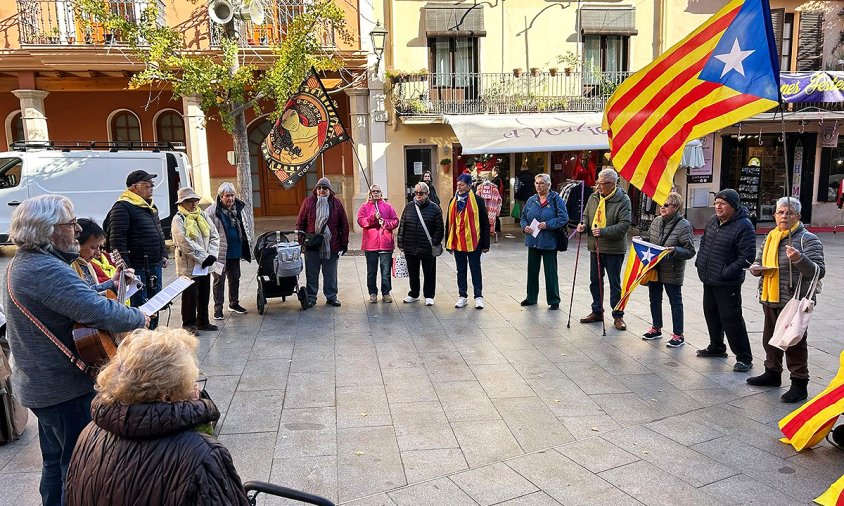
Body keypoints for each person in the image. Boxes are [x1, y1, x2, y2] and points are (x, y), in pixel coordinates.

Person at [3, 195, 147, 506]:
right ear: (49, 230)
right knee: (77, 466)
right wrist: (140, 317)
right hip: (63, 390)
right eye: (71, 224)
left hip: (42, 385)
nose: (77, 229)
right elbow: (98, 312)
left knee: (55, 462)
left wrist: (107, 283)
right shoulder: (45, 268)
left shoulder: (28, 262)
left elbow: (69, 297)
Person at [65, 328, 250, 505]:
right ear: (166, 397)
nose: (197, 390)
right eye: (192, 383)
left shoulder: (89, 433)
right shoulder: (202, 454)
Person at [747, 197, 825, 402]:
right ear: (774, 215)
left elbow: (819, 271)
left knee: (794, 342)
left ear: (797, 216)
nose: (784, 216)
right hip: (770, 296)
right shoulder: (771, 236)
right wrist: (756, 268)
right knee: (770, 338)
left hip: (795, 300)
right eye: (780, 212)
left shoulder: (807, 239)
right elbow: (759, 258)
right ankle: (772, 372)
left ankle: (800, 383)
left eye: (789, 213)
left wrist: (799, 259)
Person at [694, 188, 756, 372]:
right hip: (709, 277)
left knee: (731, 318)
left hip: (727, 281)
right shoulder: (713, 221)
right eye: (716, 203)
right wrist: (700, 262)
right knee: (711, 313)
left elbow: (747, 256)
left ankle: (744, 357)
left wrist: (725, 272)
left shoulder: (744, 225)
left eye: (722, 203)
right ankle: (717, 347)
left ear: (733, 206)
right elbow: (704, 242)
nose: (718, 206)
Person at [106, 169, 168, 329]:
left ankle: (154, 332)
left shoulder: (149, 206)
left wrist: (163, 253)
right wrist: (127, 269)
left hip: (154, 263)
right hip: (138, 267)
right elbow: (117, 241)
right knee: (141, 306)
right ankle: (143, 338)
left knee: (155, 302)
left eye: (152, 185)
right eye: (147, 185)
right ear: (134, 187)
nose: (151, 188)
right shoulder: (122, 207)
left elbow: (158, 231)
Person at [576, 168, 632, 330]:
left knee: (614, 283)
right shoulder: (594, 197)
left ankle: (618, 315)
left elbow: (624, 225)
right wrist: (583, 225)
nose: (599, 187)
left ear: (613, 184)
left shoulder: (623, 200)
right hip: (595, 247)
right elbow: (587, 215)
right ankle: (597, 311)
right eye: (598, 183)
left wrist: (604, 231)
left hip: (614, 248)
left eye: (603, 184)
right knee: (595, 281)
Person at [642, 192, 696, 347]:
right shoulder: (656, 221)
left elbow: (690, 251)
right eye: (661, 205)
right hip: (655, 267)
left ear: (676, 207)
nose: (661, 208)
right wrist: (642, 240)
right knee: (654, 299)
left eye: (666, 205)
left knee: (675, 302)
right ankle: (656, 328)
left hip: (672, 269)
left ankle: (678, 334)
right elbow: (653, 241)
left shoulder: (684, 225)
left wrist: (675, 251)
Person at [172, 187, 220, 335]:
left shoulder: (203, 215)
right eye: (189, 201)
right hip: (189, 264)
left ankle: (203, 321)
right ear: (182, 203)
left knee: (204, 292)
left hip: (205, 264)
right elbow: (184, 242)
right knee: (190, 296)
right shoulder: (179, 218)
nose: (193, 204)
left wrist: (211, 255)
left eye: (195, 201)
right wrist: (203, 257)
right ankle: (188, 324)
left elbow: (214, 235)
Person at [296, 177, 350, 307]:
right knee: (312, 273)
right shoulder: (308, 202)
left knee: (330, 274)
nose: (321, 190)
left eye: (324, 188)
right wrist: (302, 241)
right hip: (312, 245)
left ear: (330, 190)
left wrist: (343, 243)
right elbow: (300, 223)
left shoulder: (336, 203)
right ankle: (312, 297)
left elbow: (344, 224)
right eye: (319, 188)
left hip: (331, 245)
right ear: (316, 190)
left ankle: (331, 296)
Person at [520, 174, 568, 310]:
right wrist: (525, 227)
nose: (538, 186)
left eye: (541, 183)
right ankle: (531, 297)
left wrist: (548, 224)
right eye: (536, 183)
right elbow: (523, 217)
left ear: (548, 185)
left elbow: (564, 218)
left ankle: (554, 299)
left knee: (550, 271)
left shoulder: (556, 199)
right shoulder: (531, 200)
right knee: (532, 271)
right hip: (533, 240)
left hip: (549, 241)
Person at [207, 182, 252, 320]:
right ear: (221, 196)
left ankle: (234, 303)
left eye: (232, 195)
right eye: (227, 196)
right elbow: (208, 233)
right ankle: (218, 308)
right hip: (220, 252)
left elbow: (244, 225)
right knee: (219, 280)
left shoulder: (238, 208)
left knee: (235, 278)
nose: (230, 199)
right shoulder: (211, 212)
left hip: (235, 250)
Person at [445, 173, 490, 309]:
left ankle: (478, 296)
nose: (459, 187)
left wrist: (485, 244)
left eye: (462, 185)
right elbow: (449, 222)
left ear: (469, 186)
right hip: (458, 241)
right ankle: (462, 296)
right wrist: (448, 242)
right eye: (458, 184)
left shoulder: (478, 201)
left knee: (475, 269)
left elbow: (485, 223)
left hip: (474, 241)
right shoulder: (453, 200)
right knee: (461, 270)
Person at [397, 182, 444, 306]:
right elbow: (402, 225)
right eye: (416, 192)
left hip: (427, 247)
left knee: (429, 272)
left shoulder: (435, 208)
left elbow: (439, 229)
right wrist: (401, 242)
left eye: (421, 193)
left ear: (427, 194)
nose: (418, 195)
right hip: (410, 246)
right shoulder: (409, 207)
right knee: (413, 272)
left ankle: (429, 295)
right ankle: (414, 293)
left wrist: (434, 243)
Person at [358, 184, 399, 303]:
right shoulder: (364, 207)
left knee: (385, 271)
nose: (376, 193)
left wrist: (384, 222)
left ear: (381, 193)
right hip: (370, 245)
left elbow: (395, 221)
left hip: (385, 244)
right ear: (370, 193)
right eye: (373, 191)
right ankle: (372, 292)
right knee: (371, 271)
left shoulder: (388, 206)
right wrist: (373, 218)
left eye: (378, 191)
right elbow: (361, 221)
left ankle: (386, 292)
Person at [71, 218, 127, 293]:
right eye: (93, 247)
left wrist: (114, 283)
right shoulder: (70, 267)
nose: (98, 253)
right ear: (77, 244)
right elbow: (83, 295)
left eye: (100, 247)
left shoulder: (86, 264)